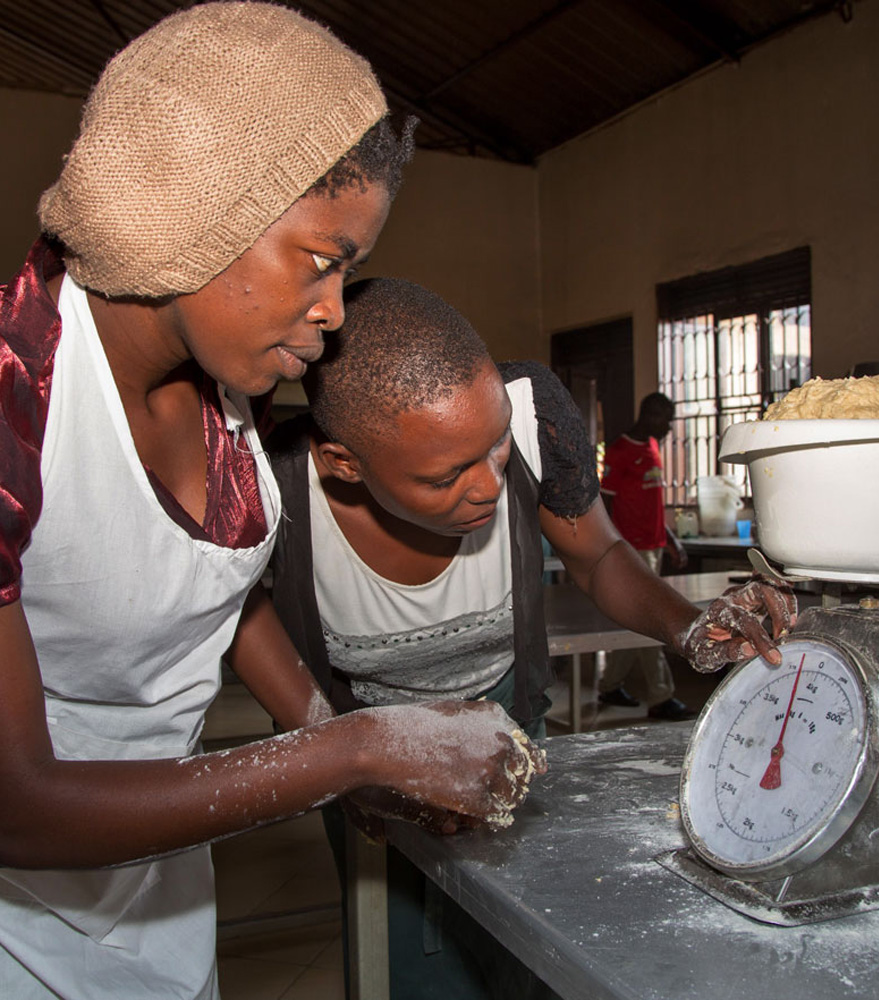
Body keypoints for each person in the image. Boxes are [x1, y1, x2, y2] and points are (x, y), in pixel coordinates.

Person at [0, 7, 546, 999]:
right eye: (321, 258)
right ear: (196, 207)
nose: (335, 309)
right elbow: (16, 805)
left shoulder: (231, 396)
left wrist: (327, 734)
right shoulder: (15, 404)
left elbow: (213, 584)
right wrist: (351, 748)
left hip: (159, 881)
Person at [267, 276, 798, 998]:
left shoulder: (529, 415)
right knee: (420, 974)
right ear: (345, 466)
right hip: (366, 757)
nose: (487, 486)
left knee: (536, 958)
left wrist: (690, 626)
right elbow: (245, 623)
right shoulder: (274, 481)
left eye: (493, 451)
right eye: (446, 476)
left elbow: (601, 554)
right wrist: (346, 765)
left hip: (512, 734)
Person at [598, 392, 695, 719]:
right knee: (649, 619)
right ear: (650, 415)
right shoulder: (620, 450)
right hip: (632, 549)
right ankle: (660, 695)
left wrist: (670, 540)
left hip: (654, 546)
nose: (668, 427)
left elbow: (652, 504)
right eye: (666, 419)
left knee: (633, 621)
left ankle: (610, 686)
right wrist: (612, 550)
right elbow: (605, 505)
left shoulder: (652, 447)